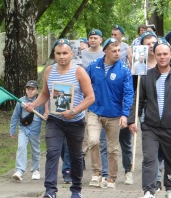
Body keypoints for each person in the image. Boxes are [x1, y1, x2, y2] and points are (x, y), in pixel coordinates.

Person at [25, 38, 95, 198]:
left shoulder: (79, 72)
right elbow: (45, 94)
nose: (62, 56)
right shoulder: (49, 71)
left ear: (71, 54)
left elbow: (90, 97)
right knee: (52, 152)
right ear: (54, 54)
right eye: (58, 53)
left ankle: (76, 189)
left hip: (75, 122)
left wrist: (74, 111)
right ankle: (50, 191)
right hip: (55, 121)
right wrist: (33, 105)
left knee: (76, 156)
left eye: (65, 53)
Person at [129, 37, 171, 198]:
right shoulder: (146, 76)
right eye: (159, 54)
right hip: (150, 127)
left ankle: (170, 188)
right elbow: (138, 101)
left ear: (170, 55)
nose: (162, 57)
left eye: (165, 54)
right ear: (155, 55)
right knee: (149, 159)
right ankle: (149, 191)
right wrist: (132, 120)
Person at [86, 37, 134, 189]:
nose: (117, 53)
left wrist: (125, 114)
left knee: (112, 148)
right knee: (93, 141)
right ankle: (97, 173)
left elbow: (128, 93)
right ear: (105, 51)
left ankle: (112, 178)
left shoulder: (124, 70)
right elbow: (84, 84)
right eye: (114, 51)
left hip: (114, 114)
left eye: (119, 50)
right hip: (94, 111)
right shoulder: (93, 66)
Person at [81, 29, 107, 177]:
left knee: (99, 137)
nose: (92, 40)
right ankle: (82, 156)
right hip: (85, 97)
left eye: (95, 37)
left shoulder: (105, 55)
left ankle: (102, 169)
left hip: (101, 98)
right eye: (90, 38)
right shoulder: (82, 54)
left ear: (101, 40)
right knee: (86, 132)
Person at [111, 25, 134, 185]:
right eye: (112, 34)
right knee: (106, 144)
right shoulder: (105, 55)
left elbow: (134, 66)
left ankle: (128, 171)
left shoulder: (127, 49)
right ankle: (107, 173)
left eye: (116, 34)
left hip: (123, 106)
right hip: (108, 108)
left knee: (124, 142)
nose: (114, 36)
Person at [10, 80, 47, 181]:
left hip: (35, 130)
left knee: (35, 150)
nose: (30, 91)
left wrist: (45, 116)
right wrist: (12, 129)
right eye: (28, 89)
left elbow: (45, 114)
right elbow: (15, 116)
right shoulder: (21, 101)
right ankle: (19, 170)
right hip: (23, 129)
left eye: (33, 89)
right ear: (25, 90)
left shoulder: (40, 102)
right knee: (21, 147)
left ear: (36, 90)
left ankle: (35, 170)